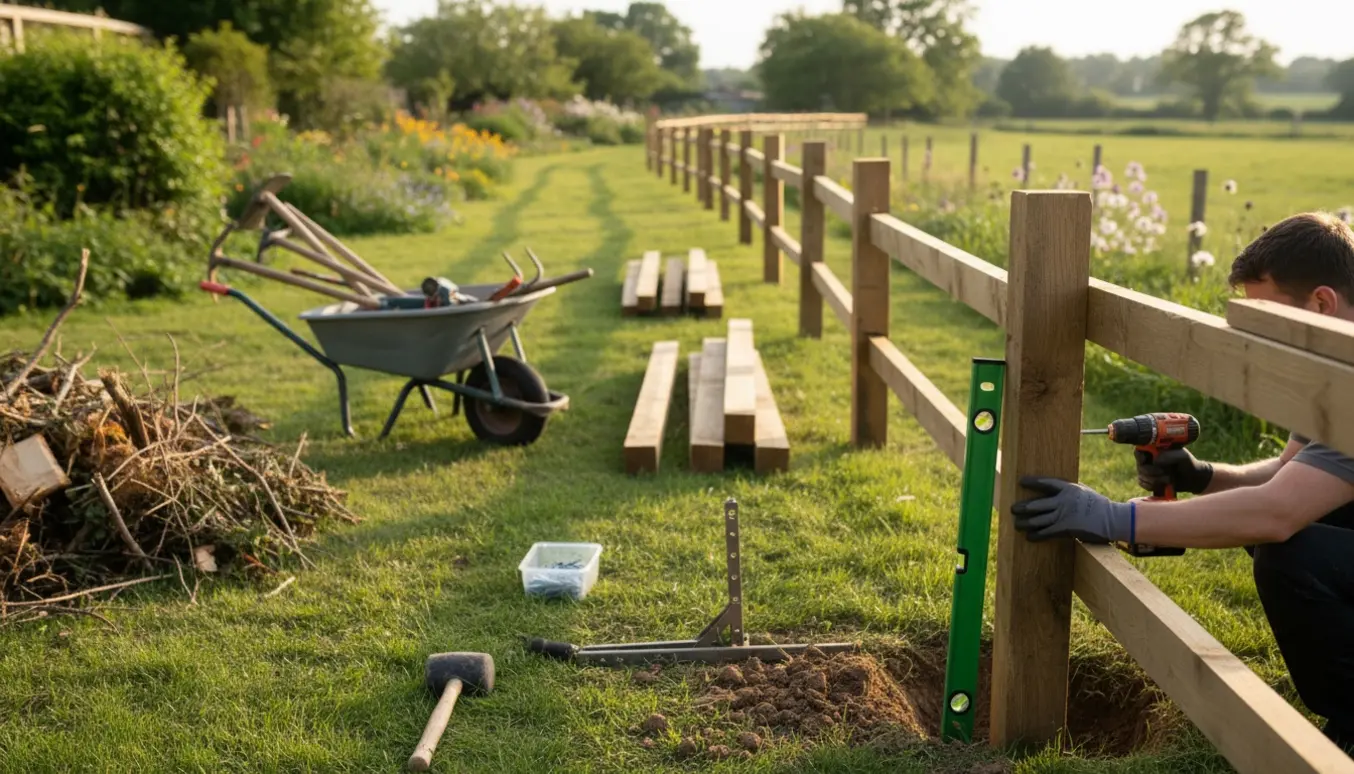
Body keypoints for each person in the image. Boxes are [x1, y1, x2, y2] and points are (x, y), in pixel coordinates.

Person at [1010, 211, 1354, 754]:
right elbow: (1292, 474)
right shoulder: (1329, 360)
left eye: (1266, 318)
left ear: (1320, 304)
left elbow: (1277, 512)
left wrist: (1115, 517)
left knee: (1293, 553)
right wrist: (1200, 476)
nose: (1259, 339)